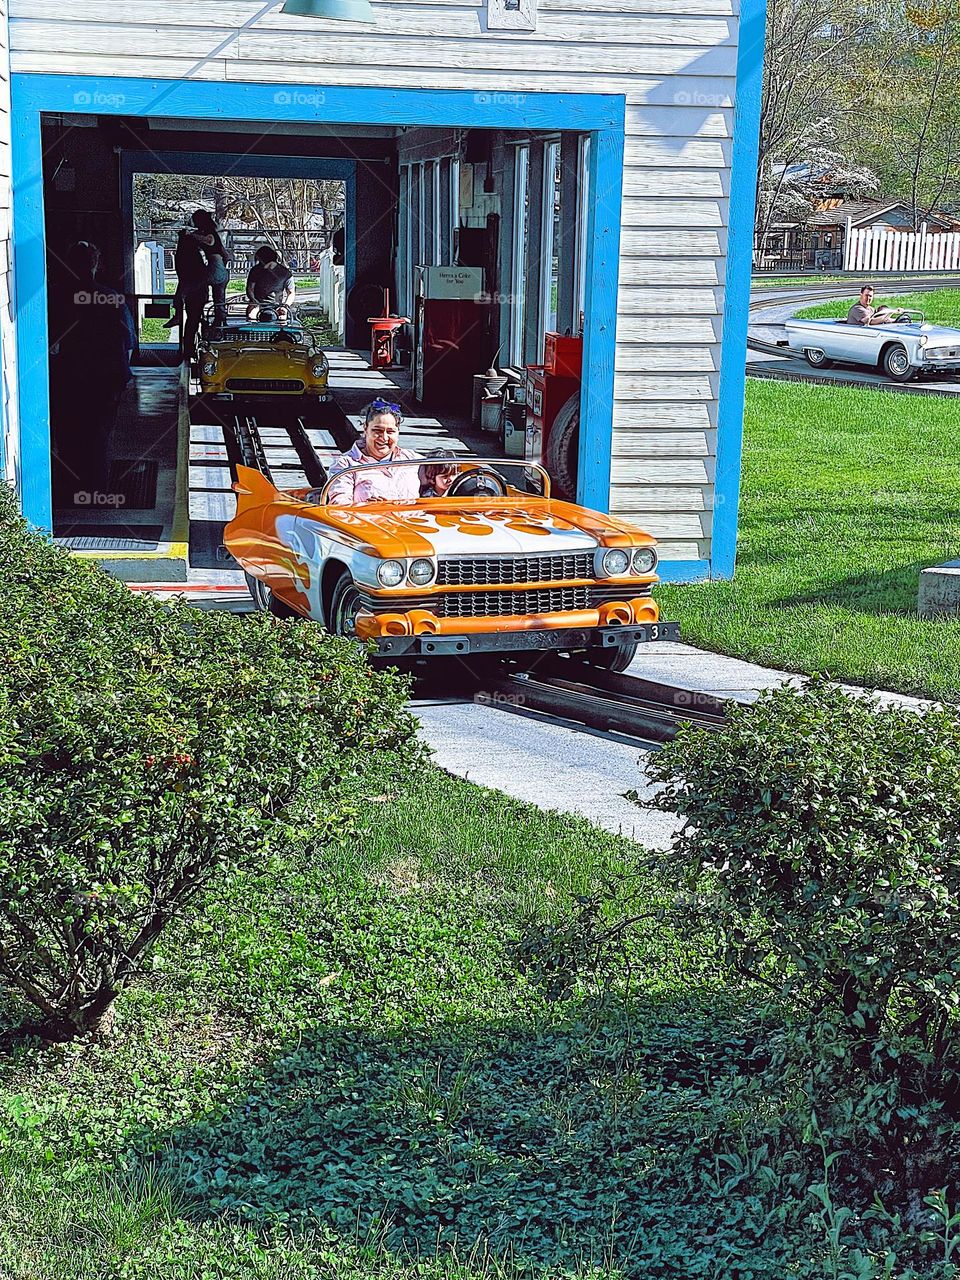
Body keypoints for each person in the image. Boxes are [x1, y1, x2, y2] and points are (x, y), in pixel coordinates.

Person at [50, 240, 135, 503]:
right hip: (106, 377)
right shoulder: (110, 297)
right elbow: (129, 340)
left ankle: (69, 487)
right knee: (99, 433)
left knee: (68, 431)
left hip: (68, 375)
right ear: (96, 264)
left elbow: (48, 343)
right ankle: (96, 490)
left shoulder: (54, 297)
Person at [325, 399, 421, 505]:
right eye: (377, 431)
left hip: (409, 520)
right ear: (365, 429)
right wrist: (368, 507)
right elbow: (339, 506)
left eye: (390, 432)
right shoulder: (345, 465)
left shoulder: (412, 459)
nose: (384, 438)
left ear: (398, 432)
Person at [246, 246, 295, 322]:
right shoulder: (255, 270)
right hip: (258, 303)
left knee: (282, 317)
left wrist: (285, 305)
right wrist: (254, 300)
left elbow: (291, 292)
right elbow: (250, 288)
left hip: (278, 304)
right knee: (251, 315)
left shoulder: (285, 273)